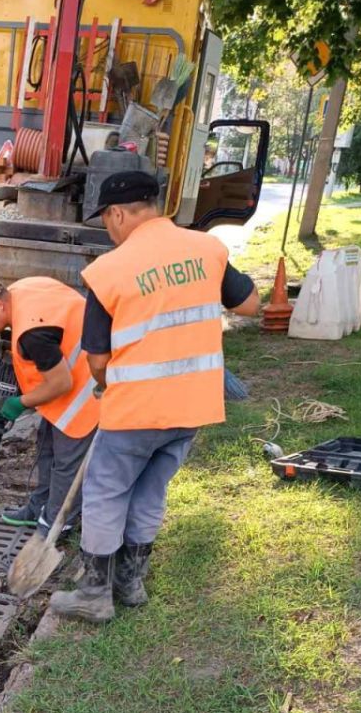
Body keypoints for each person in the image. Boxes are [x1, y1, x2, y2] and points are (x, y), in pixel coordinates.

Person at [49, 171, 259, 622]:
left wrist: (107, 387)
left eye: (107, 219)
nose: (109, 228)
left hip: (137, 409)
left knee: (106, 490)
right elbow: (249, 305)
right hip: (193, 406)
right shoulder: (207, 249)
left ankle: (93, 593)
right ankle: (131, 582)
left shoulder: (109, 271)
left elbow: (98, 358)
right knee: (151, 488)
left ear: (119, 213)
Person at [0, 272, 99, 535]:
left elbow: (60, 384)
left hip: (85, 391)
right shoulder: (22, 288)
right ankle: (40, 506)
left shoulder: (32, 332)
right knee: (46, 448)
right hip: (67, 381)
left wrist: (19, 403)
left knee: (67, 464)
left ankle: (57, 524)